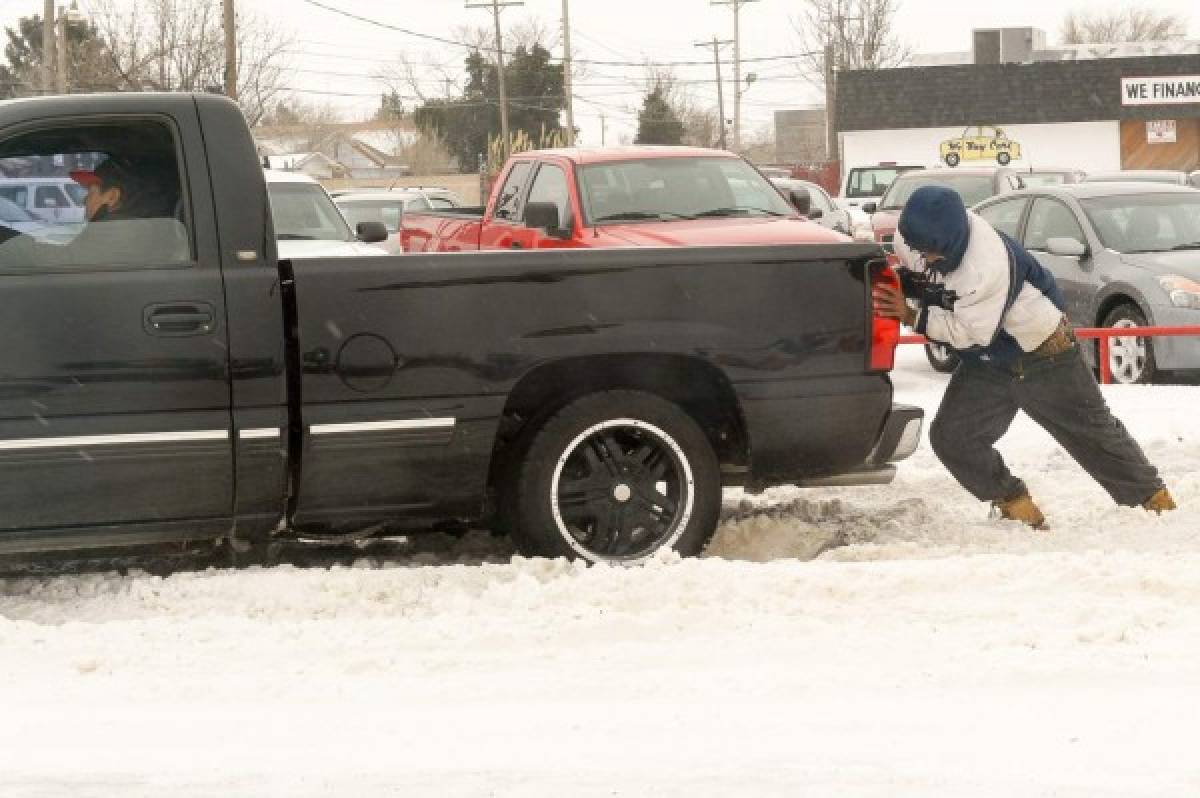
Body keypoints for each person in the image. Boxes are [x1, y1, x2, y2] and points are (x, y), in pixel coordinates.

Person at [872, 185, 1175, 528]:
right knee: (953, 438)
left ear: (953, 243)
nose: (923, 259)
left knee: (1094, 435)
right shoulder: (914, 239)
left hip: (1044, 352)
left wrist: (912, 316)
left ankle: (1155, 504)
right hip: (988, 363)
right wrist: (903, 283)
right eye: (919, 252)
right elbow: (924, 277)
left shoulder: (988, 265)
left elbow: (969, 333)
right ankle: (1015, 506)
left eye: (931, 255)